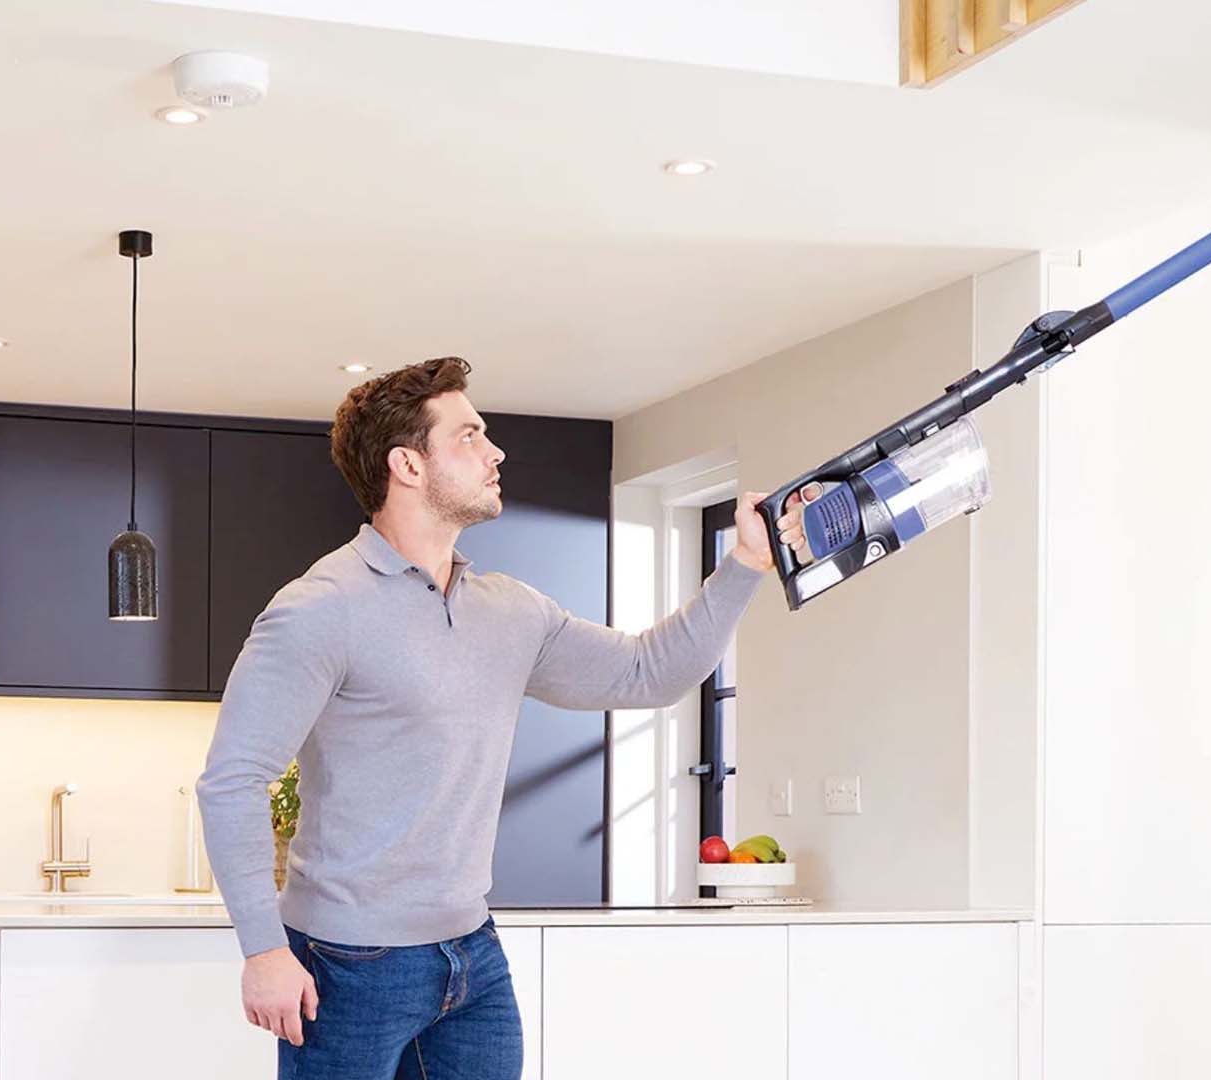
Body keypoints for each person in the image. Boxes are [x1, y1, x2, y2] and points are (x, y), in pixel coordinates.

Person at [195, 357, 806, 1079]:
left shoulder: (509, 610)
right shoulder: (319, 609)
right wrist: (264, 950)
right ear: (408, 466)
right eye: (469, 436)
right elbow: (232, 781)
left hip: (472, 955)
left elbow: (651, 672)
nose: (496, 451)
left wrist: (744, 562)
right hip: (348, 963)